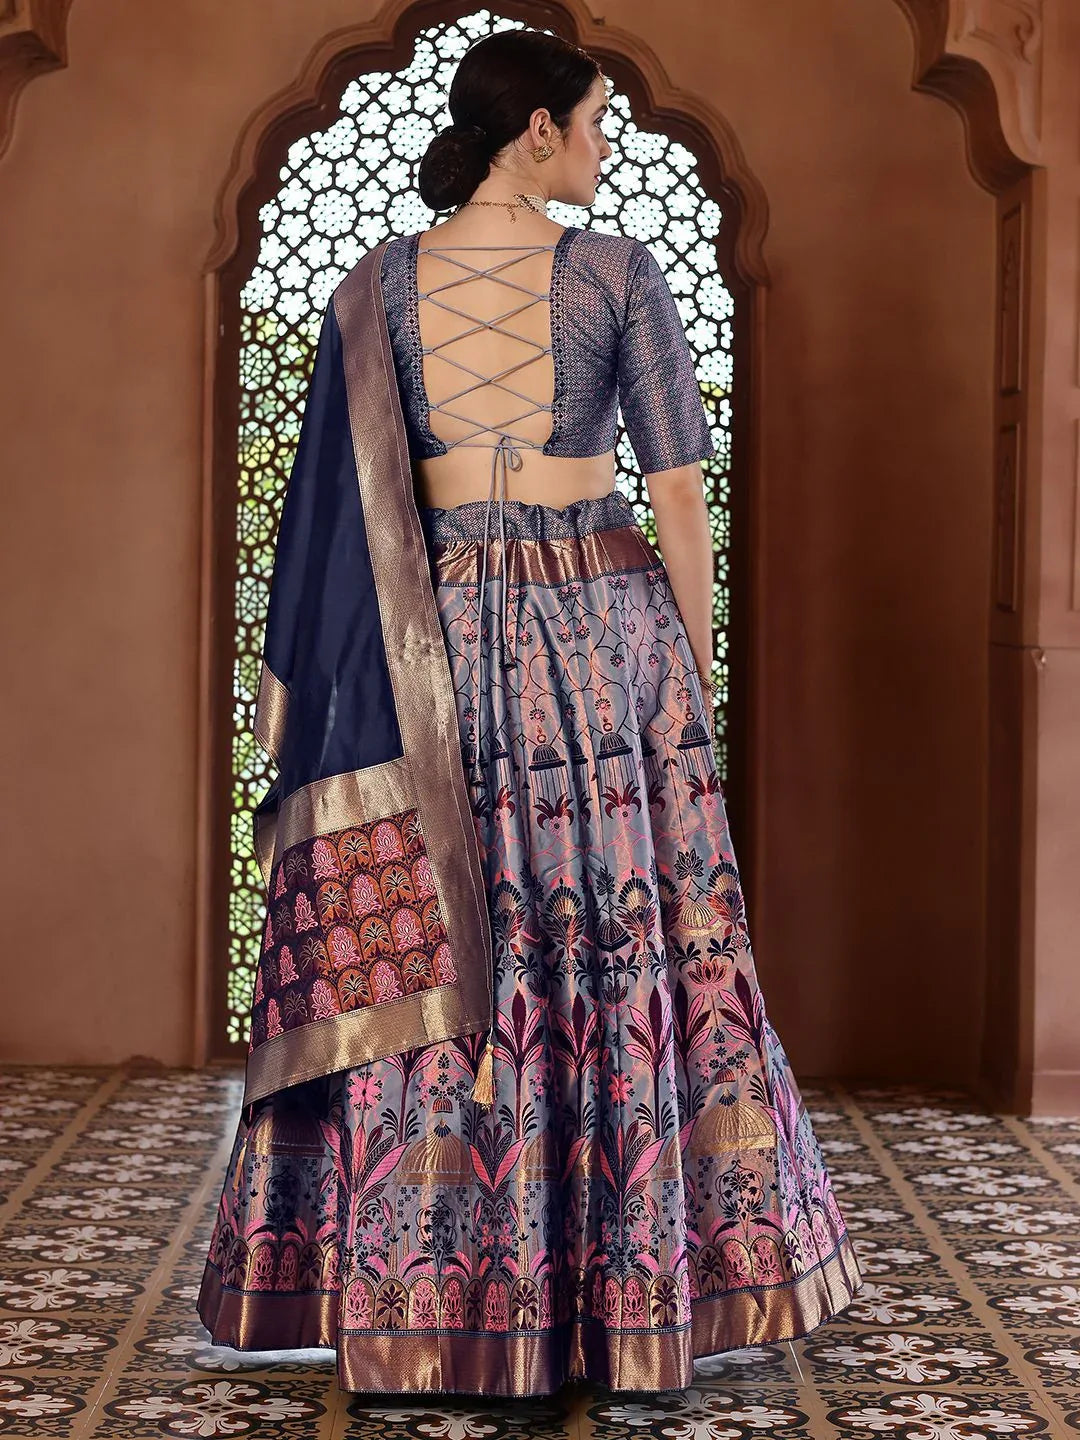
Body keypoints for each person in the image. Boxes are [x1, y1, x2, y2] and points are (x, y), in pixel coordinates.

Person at [197, 27, 863, 1398]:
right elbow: (677, 491)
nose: (608, 144)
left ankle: (425, 1297)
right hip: (595, 641)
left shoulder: (373, 286)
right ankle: (615, 1299)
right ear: (539, 130)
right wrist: (690, 674)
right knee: (615, 925)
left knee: (449, 936)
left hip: (418, 643)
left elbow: (327, 513)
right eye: (598, 120)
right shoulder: (619, 275)